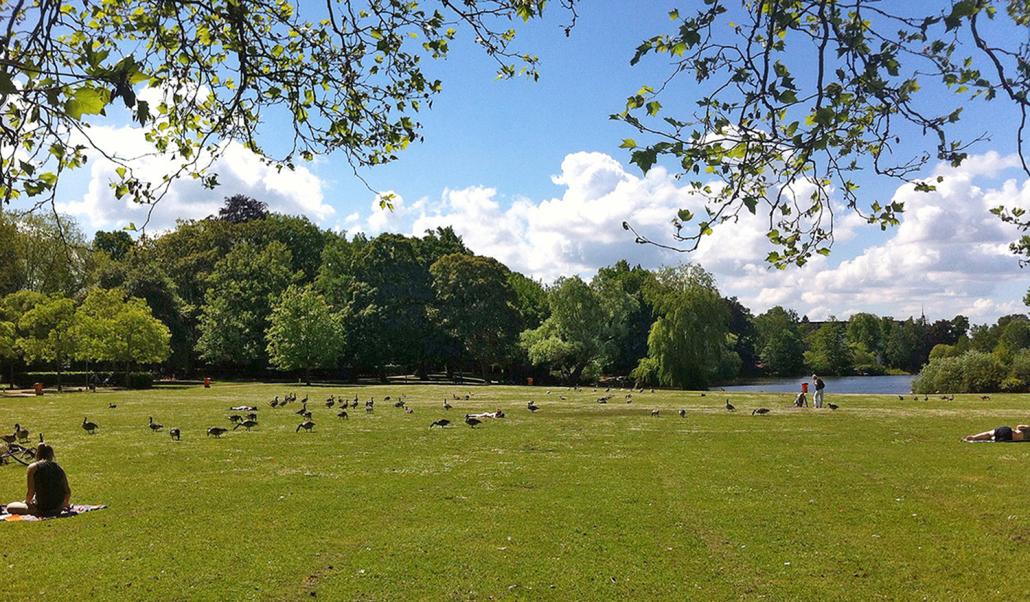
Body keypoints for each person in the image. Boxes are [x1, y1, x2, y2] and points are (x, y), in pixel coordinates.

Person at [5, 443, 71, 517]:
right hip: (57, 507)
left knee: (10, 506)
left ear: (38, 454)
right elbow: (67, 491)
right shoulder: (58, 468)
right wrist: (64, 504)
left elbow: (31, 491)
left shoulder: (33, 468)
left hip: (41, 507)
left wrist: (27, 503)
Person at [963, 425, 1030, 442]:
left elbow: (1019, 426)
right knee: (992, 438)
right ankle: (992, 438)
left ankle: (974, 437)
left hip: (1008, 431)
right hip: (1009, 437)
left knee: (989, 433)